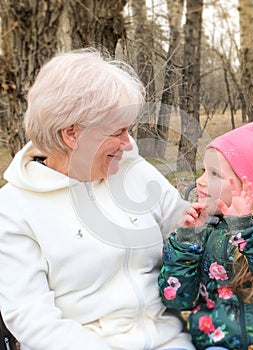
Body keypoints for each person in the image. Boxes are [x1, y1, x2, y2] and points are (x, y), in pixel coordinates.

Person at [0, 48, 195, 350]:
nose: (128, 143)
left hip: (168, 340)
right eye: (118, 132)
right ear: (72, 135)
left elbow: (188, 231)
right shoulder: (14, 208)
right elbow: (32, 318)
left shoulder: (134, 172)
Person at [158, 121, 253, 350]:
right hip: (215, 345)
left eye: (214, 174)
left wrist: (248, 232)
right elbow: (177, 299)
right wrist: (186, 241)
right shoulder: (204, 232)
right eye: (203, 171)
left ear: (249, 186)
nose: (199, 181)